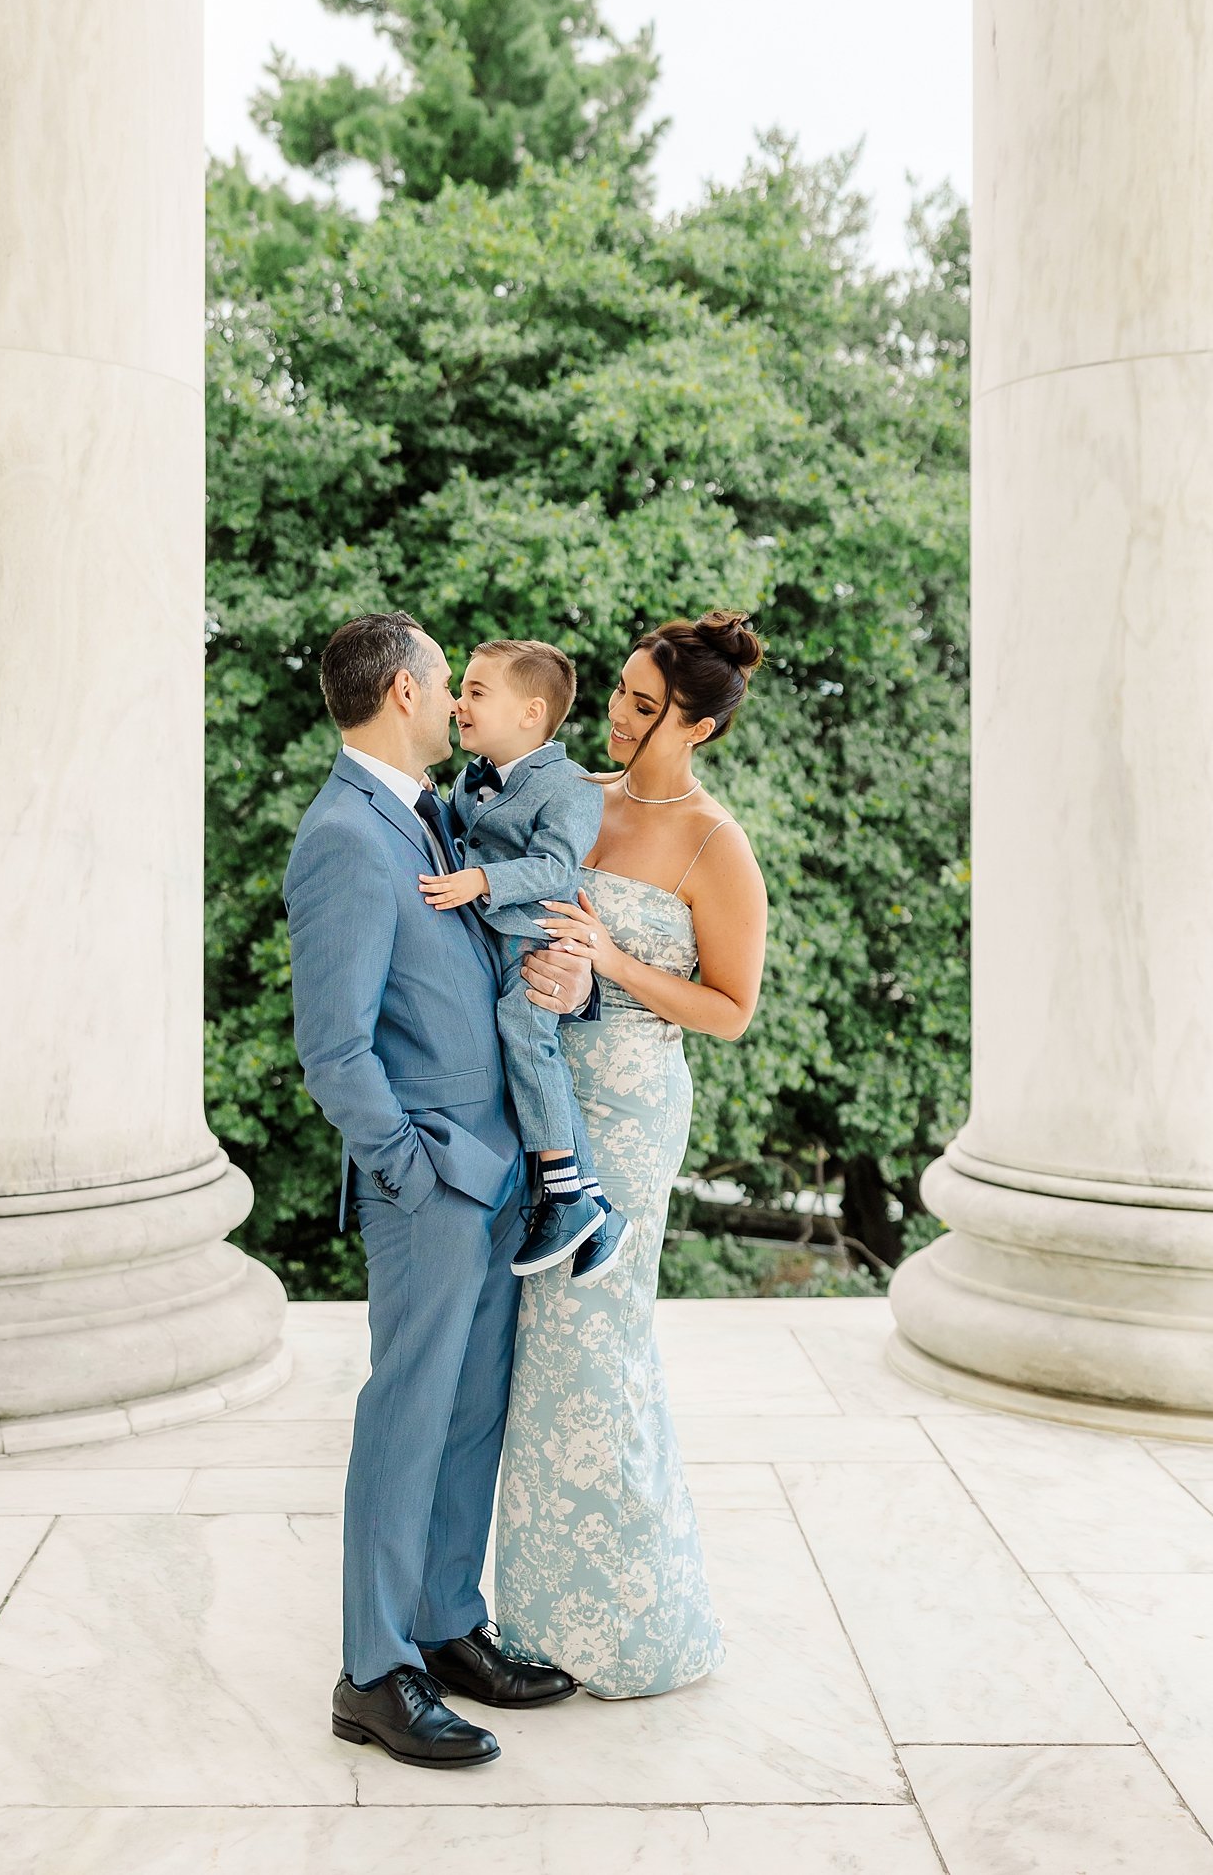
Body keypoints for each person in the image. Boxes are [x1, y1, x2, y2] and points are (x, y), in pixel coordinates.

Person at [283, 611, 595, 1769]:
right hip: (430, 1187)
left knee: (472, 1415)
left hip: (505, 1162)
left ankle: (449, 1624)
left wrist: (571, 984)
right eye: (444, 678)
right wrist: (409, 1172)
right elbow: (336, 1050)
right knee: (407, 1418)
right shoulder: (344, 837)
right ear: (405, 693)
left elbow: (488, 960)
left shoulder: (434, 815)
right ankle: (374, 1670)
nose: (457, 698)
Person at [495, 610, 770, 1698]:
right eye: (618, 690)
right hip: (543, 1093)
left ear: (697, 725)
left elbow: (730, 1008)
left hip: (635, 1111)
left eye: (645, 707)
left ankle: (626, 1621)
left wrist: (611, 962)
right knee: (535, 1347)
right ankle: (534, 1610)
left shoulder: (716, 843)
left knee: (596, 1344)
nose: (616, 715)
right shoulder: (578, 801)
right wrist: (556, 975)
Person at [419, 637, 630, 1280]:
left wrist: (482, 881)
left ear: (532, 712)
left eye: (477, 692)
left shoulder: (569, 785)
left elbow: (556, 866)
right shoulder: (472, 778)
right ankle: (593, 1207)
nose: (458, 702)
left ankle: (565, 1194)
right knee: (526, 1052)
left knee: (528, 1043)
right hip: (497, 938)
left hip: (537, 941)